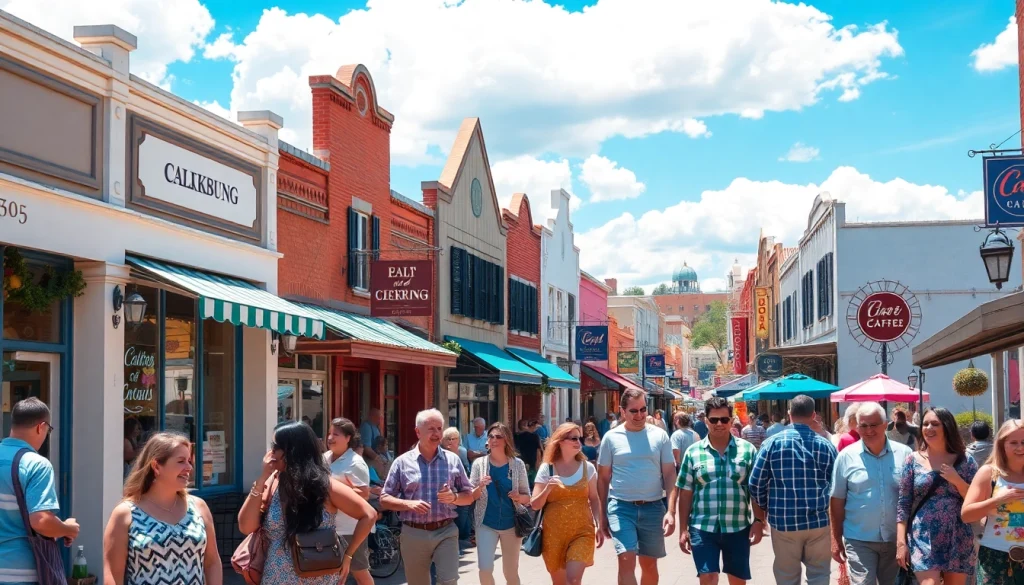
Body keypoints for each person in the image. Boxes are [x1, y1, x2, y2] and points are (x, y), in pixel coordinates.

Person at [238, 421, 376, 585]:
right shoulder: (273, 483)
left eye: (276, 446)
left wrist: (348, 556)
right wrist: (261, 480)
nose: (271, 452)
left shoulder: (325, 486)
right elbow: (246, 527)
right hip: (276, 577)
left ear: (293, 451)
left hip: (320, 578)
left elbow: (369, 515)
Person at [103, 432, 220, 585]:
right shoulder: (126, 514)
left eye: (189, 461)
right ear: (156, 466)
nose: (189, 467)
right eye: (181, 461)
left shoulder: (198, 507)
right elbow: (112, 574)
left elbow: (212, 563)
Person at [380, 409, 476, 585]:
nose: (437, 433)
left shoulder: (453, 460)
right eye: (431, 428)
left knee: (448, 580)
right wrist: (408, 504)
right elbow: (385, 498)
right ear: (418, 431)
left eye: (439, 428)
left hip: (446, 530)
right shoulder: (402, 462)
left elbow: (469, 496)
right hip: (413, 532)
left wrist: (453, 497)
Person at [749, 395, 836, 585]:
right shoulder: (826, 446)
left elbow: (755, 483)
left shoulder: (772, 443)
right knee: (820, 575)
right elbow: (837, 488)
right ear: (814, 415)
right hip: (818, 522)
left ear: (789, 414)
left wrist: (764, 511)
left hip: (783, 522)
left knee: (787, 576)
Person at [677, 396, 761, 584]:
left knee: (737, 580)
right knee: (708, 576)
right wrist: (683, 528)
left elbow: (755, 490)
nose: (719, 424)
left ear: (731, 421)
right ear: (706, 421)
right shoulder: (693, 452)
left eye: (724, 419)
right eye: (714, 420)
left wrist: (759, 520)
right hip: (702, 526)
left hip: (738, 526)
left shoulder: (747, 451)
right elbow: (685, 492)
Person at [597, 389, 677, 585]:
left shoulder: (660, 436)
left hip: (653, 507)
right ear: (622, 411)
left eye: (643, 409)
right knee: (626, 559)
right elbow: (603, 478)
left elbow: (669, 474)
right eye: (634, 411)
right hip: (621, 507)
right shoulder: (611, 437)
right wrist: (601, 517)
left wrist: (671, 511)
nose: (640, 415)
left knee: (649, 565)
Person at [829, 402, 912, 585]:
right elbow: (836, 501)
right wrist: (835, 539)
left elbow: (912, 498)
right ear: (857, 427)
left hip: (895, 540)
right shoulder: (846, 457)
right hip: (859, 539)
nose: (868, 430)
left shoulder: (905, 454)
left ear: (885, 425)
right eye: (863, 426)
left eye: (873, 425)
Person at [1, 398, 79, 585]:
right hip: (20, 573)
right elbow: (41, 521)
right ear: (41, 427)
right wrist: (68, 528)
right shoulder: (36, 464)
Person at [896, 407, 978, 585]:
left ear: (947, 427)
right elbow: (903, 504)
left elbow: (975, 499)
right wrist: (901, 542)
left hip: (957, 534)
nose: (928, 428)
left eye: (935, 424)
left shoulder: (966, 460)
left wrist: (957, 480)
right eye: (925, 424)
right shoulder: (912, 460)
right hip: (923, 535)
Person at [531, 422, 604, 585]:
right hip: (553, 535)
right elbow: (535, 504)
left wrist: (598, 523)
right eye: (573, 438)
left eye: (580, 438)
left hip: (582, 532)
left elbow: (594, 498)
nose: (579, 442)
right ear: (560, 441)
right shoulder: (547, 469)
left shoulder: (589, 468)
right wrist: (547, 489)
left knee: (573, 580)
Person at [962, 419, 1024, 583]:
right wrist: (998, 500)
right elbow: (966, 514)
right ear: (1003, 445)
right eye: (1014, 442)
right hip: (994, 557)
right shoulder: (989, 473)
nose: (1020, 447)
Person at [469, 423, 530, 585]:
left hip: (511, 525)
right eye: (491, 436)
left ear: (507, 440)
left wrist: (518, 497)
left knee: (510, 572)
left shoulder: (517, 465)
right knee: (485, 569)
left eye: (498, 436)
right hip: (486, 523)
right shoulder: (479, 465)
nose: (494, 440)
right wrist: (480, 486)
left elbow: (527, 498)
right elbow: (470, 496)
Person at [323, 418, 374, 585]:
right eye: (329, 433)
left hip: (352, 529)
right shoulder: (324, 458)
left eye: (336, 434)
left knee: (359, 571)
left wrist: (339, 492)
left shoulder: (355, 462)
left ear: (348, 438)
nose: (330, 438)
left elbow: (364, 494)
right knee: (333, 573)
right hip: (329, 526)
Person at [514, 419, 544, 486]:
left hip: (521, 462)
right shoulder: (535, 436)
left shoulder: (516, 436)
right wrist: (538, 462)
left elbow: (515, 450)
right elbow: (539, 450)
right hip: (532, 463)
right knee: (533, 484)